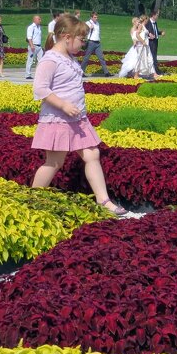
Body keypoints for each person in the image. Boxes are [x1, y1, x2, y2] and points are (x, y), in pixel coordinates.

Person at [30, 14, 125, 215]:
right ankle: (32, 200)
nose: (83, 44)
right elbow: (40, 89)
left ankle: (104, 200)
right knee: (54, 162)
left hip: (77, 119)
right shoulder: (50, 59)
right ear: (66, 37)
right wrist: (63, 105)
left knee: (92, 154)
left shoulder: (70, 58)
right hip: (58, 120)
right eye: (81, 40)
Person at [79, 11, 111, 77]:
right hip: (91, 42)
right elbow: (82, 30)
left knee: (101, 57)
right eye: (95, 17)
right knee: (86, 58)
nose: (96, 18)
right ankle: (81, 72)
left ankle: (106, 72)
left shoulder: (97, 23)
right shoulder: (88, 23)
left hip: (97, 43)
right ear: (91, 17)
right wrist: (89, 28)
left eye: (97, 17)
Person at [144, 9, 164, 75]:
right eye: (157, 15)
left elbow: (155, 32)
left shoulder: (155, 23)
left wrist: (161, 33)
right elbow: (144, 31)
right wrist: (149, 35)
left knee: (154, 56)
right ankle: (155, 71)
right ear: (153, 15)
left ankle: (155, 70)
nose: (158, 17)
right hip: (150, 42)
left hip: (155, 41)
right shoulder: (147, 22)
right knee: (152, 56)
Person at [25, 14, 42, 79]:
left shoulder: (39, 27)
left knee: (41, 60)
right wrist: (31, 45)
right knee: (30, 60)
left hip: (39, 46)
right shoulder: (31, 27)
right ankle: (28, 74)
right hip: (33, 45)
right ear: (34, 20)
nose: (40, 20)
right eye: (39, 19)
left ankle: (39, 74)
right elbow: (29, 37)